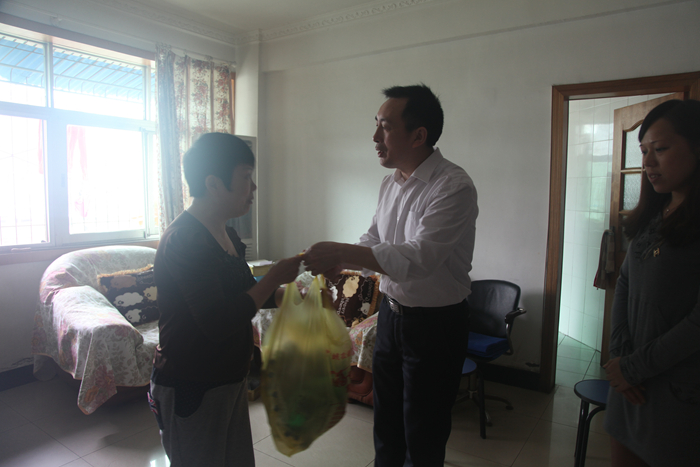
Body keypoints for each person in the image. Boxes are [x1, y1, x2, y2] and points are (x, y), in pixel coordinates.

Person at [302, 84, 478, 466]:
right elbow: (374, 239)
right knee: (386, 426)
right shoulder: (391, 183)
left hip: (436, 327)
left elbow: (419, 259)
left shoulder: (453, 186)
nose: (374, 137)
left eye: (384, 127)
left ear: (418, 135)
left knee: (423, 433)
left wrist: (341, 251)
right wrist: (341, 265)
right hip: (391, 318)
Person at [149, 133, 302, 466]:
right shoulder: (185, 240)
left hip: (229, 378)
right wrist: (274, 277)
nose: (253, 187)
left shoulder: (226, 232)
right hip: (192, 382)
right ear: (213, 184)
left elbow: (246, 290)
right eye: (246, 177)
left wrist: (293, 295)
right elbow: (217, 322)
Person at [603, 99, 700, 467]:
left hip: (677, 391)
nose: (647, 163)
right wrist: (620, 356)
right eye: (644, 151)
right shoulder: (656, 215)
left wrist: (634, 367)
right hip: (630, 384)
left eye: (660, 149)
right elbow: (625, 283)